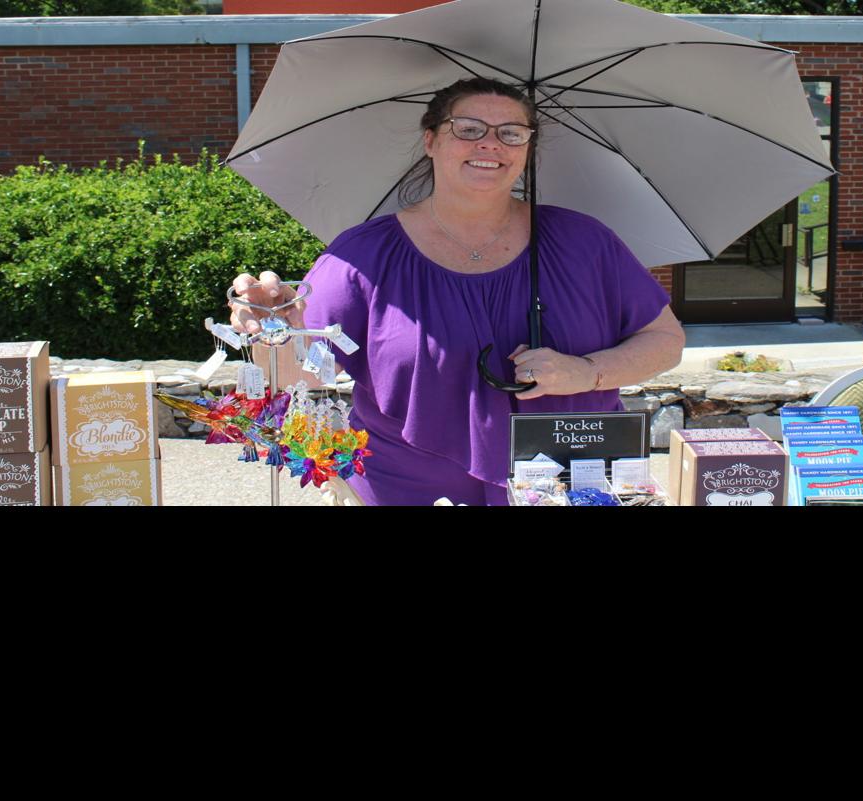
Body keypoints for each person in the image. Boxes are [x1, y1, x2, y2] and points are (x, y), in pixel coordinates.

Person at [230, 78, 685, 505]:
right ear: (431, 140)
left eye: (512, 132)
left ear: (528, 148)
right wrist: (275, 330)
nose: (490, 143)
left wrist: (588, 372)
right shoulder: (364, 256)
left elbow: (665, 342)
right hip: (406, 490)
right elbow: (303, 379)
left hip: (568, 483)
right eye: (468, 129)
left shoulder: (584, 242)